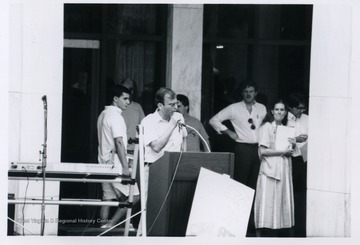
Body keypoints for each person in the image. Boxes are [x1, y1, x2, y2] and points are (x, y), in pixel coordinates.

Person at [97, 84, 140, 228]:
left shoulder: (103, 114)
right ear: (116, 99)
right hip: (114, 163)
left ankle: (102, 228)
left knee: (108, 198)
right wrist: (125, 167)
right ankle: (111, 225)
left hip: (103, 162)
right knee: (134, 196)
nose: (128, 102)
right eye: (125, 98)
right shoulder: (115, 116)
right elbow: (119, 142)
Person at [209, 82, 267, 188]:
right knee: (241, 181)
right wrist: (228, 132)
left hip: (258, 149)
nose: (248, 94)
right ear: (242, 93)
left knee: (256, 181)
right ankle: (240, 204)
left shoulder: (262, 108)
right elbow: (213, 120)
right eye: (246, 91)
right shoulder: (233, 108)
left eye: (251, 91)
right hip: (243, 149)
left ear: (256, 93)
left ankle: (253, 205)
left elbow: (265, 125)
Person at [254, 99, 295, 237]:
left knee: (280, 199)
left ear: (285, 112)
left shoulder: (287, 129)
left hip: (283, 168)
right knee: (266, 199)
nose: (279, 112)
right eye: (277, 109)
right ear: (272, 111)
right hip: (269, 168)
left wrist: (292, 145)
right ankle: (259, 234)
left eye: (282, 110)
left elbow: (289, 149)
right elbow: (263, 151)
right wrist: (282, 152)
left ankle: (277, 232)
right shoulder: (267, 127)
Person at [286, 92, 309, 237]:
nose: (301, 111)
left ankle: (300, 230)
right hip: (288, 160)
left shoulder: (307, 119)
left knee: (301, 196)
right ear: (290, 107)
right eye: (298, 108)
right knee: (288, 195)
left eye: (303, 108)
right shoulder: (283, 119)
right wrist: (295, 139)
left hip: (303, 161)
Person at [120, 78, 145, 153]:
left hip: (135, 149)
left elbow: (143, 128)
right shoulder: (116, 109)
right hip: (120, 149)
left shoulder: (137, 107)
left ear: (132, 91)